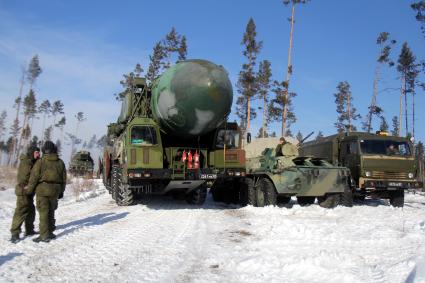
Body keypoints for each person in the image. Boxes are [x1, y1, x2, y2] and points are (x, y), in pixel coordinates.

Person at [25, 141, 66, 243]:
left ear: (44, 150)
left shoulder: (41, 162)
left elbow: (34, 178)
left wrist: (29, 190)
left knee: (43, 212)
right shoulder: (60, 162)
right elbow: (63, 179)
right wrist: (61, 191)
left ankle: (44, 235)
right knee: (51, 210)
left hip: (43, 190)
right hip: (55, 190)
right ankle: (50, 232)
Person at [10, 145, 40, 243]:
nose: (38, 154)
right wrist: (28, 186)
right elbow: (24, 178)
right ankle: (15, 233)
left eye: (39, 152)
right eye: (36, 152)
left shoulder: (33, 162)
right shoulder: (26, 162)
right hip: (24, 190)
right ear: (32, 152)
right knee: (21, 211)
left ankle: (29, 230)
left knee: (31, 211)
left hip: (30, 191)